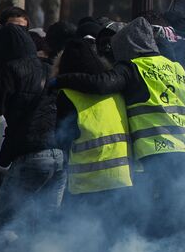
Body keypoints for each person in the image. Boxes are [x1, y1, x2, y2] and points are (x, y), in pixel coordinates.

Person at [54, 17, 185, 229]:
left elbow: (100, 84)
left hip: (156, 151)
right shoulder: (176, 67)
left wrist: (60, 80)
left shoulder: (133, 67)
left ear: (126, 47)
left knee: (156, 217)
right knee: (178, 212)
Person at [0, 24, 63, 231]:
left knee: (3, 224)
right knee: (44, 225)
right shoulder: (49, 67)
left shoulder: (10, 70)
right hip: (59, 156)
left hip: (31, 155)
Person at [53, 37, 133, 212]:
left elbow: (61, 139)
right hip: (122, 178)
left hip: (87, 183)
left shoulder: (65, 95)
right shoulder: (115, 92)